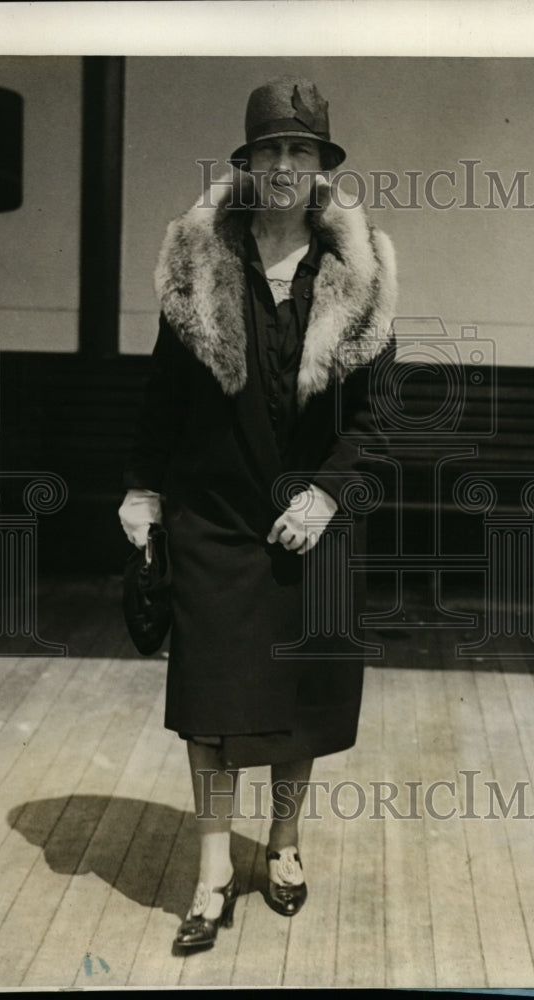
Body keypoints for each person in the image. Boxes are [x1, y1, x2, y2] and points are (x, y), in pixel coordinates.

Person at [119, 75, 396, 951]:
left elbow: (377, 415)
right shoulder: (198, 261)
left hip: (311, 519)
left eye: (300, 150)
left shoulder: (361, 271)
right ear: (245, 162)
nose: (283, 165)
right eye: (269, 149)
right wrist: (142, 488)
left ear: (321, 166)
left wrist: (327, 495)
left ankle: (282, 842)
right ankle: (211, 875)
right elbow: (163, 394)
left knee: (300, 696)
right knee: (208, 701)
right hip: (213, 518)